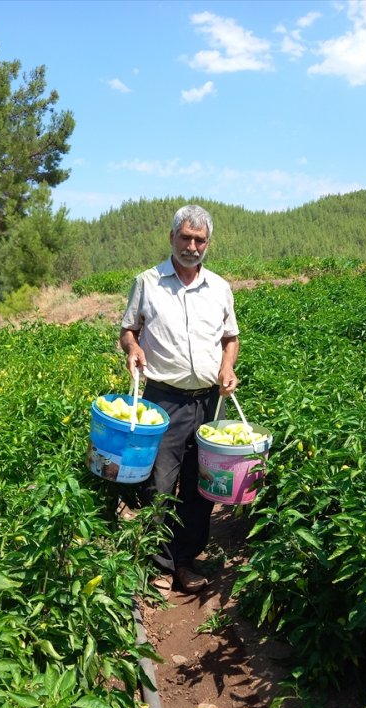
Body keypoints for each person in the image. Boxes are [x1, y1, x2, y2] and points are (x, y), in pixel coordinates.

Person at [119, 204, 240, 594]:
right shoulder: (148, 282)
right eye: (185, 237)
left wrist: (227, 368)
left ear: (208, 243)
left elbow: (230, 339)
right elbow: (128, 330)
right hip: (162, 400)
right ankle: (159, 563)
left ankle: (185, 561)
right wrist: (132, 349)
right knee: (159, 482)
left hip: (207, 403)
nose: (192, 246)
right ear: (171, 238)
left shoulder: (220, 288)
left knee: (200, 486)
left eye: (199, 239)